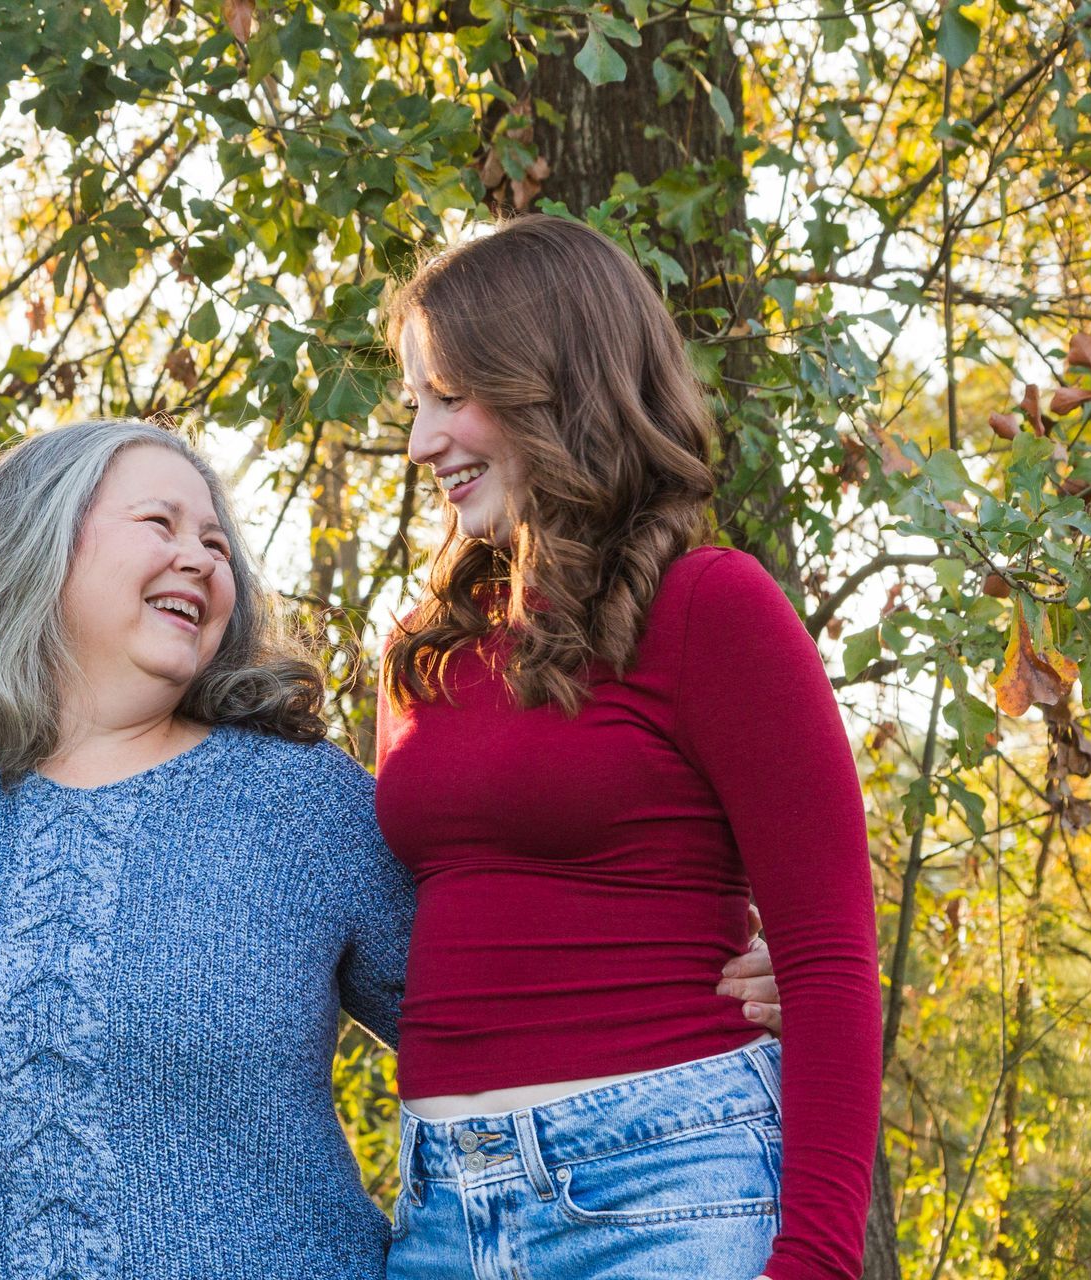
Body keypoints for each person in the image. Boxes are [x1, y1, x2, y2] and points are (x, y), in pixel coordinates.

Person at [0, 418, 782, 1279]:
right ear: (32, 542)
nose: (201, 559)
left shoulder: (303, 805)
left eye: (216, 544)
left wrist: (737, 982)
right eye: (159, 523)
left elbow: (505, 1009)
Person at [377, 215, 881, 1280]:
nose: (422, 443)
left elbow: (831, 960)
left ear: (551, 381)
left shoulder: (711, 605)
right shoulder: (423, 657)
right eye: (414, 405)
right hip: (438, 1210)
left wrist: (818, 1263)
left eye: (449, 397)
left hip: (666, 1181)